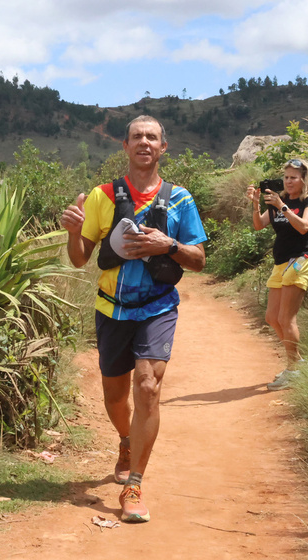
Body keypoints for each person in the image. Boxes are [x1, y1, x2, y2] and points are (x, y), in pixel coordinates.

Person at [60, 115, 207, 522]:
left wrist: (169, 243)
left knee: (147, 386)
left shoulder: (180, 200)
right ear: (124, 147)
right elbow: (79, 259)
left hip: (158, 307)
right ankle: (126, 439)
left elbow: (198, 259)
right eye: (137, 136)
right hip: (111, 308)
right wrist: (73, 232)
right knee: (114, 396)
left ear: (163, 148)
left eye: (153, 137)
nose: (144, 141)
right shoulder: (101, 196)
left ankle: (134, 484)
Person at [245, 158, 308, 391]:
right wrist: (256, 204)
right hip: (280, 264)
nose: (288, 182)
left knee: (286, 318)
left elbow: (304, 226)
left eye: (293, 177)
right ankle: (296, 362)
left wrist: (282, 207)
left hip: (300, 261)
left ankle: (294, 370)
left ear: (304, 179)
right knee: (271, 317)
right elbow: (259, 225)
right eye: (286, 177)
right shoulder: (278, 200)